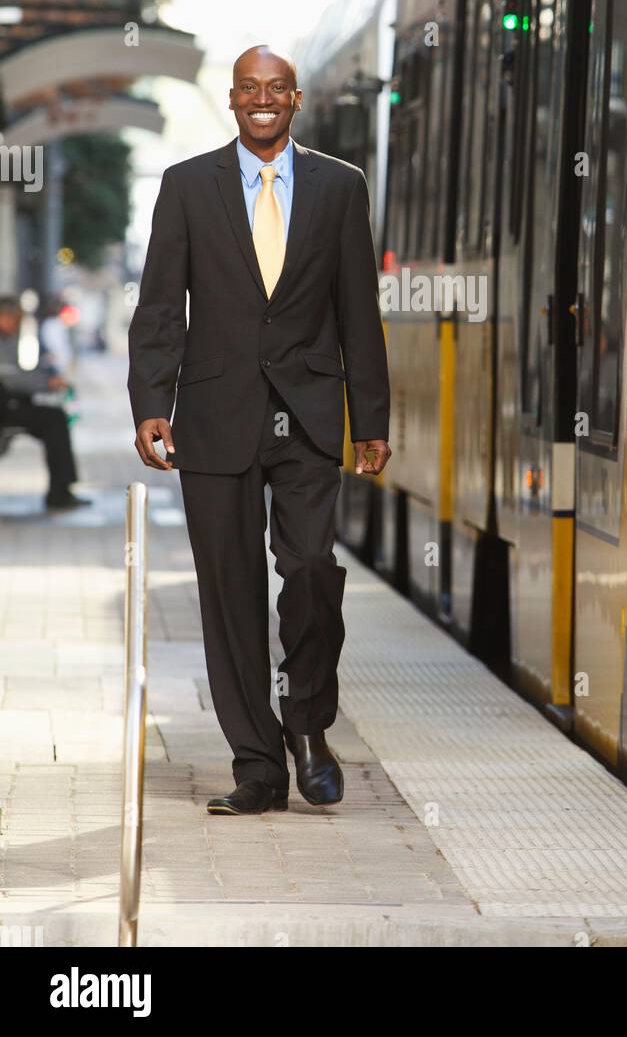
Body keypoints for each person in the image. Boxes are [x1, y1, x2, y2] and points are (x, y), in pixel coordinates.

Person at [128, 45, 391, 816]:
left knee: (310, 567)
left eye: (277, 89)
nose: (264, 100)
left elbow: (358, 312)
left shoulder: (341, 188)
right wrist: (153, 403)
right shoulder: (184, 187)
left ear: (297, 99)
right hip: (213, 416)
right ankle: (258, 767)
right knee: (230, 592)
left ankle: (308, 724)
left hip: (308, 414)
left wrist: (367, 418)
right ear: (234, 100)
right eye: (250, 89)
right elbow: (158, 307)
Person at [0, 296, 90, 511]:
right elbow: (11, 376)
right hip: (6, 407)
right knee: (54, 420)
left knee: (55, 417)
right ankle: (60, 492)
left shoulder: (7, 339)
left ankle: (62, 489)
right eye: (16, 320)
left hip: (10, 402)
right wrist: (47, 383)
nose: (19, 325)